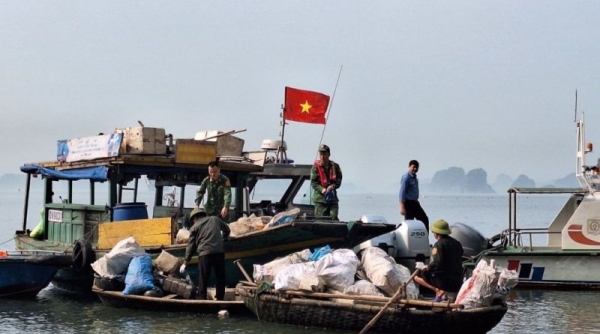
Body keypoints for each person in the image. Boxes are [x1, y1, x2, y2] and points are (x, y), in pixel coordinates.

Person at [181, 208, 231, 300]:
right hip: (219, 252)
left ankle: (201, 298)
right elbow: (227, 230)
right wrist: (224, 236)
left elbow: (191, 246)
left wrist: (185, 262)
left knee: (203, 279)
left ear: (195, 218)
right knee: (220, 278)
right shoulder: (215, 219)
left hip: (205, 255)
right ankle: (220, 298)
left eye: (193, 221)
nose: (193, 222)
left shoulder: (194, 227)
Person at [414, 219, 464, 301]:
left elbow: (438, 263)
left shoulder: (439, 244)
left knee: (420, 274)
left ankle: (438, 291)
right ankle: (441, 291)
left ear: (436, 233)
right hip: (458, 280)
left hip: (446, 282)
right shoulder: (457, 243)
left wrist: (427, 267)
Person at [310, 144, 343, 220]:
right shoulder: (315, 168)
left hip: (332, 198)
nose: (322, 156)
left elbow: (339, 180)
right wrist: (322, 189)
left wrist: (332, 186)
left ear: (329, 154)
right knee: (320, 220)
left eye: (324, 154)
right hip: (320, 200)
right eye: (321, 154)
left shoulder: (335, 167)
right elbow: (313, 183)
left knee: (334, 218)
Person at [399, 159, 429, 231]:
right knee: (409, 224)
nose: (415, 169)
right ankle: (409, 240)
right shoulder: (406, 178)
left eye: (417, 167)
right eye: (413, 167)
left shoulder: (414, 177)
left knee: (424, 219)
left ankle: (425, 239)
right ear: (409, 167)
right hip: (408, 204)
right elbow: (401, 192)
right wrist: (402, 207)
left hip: (415, 203)